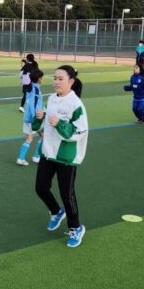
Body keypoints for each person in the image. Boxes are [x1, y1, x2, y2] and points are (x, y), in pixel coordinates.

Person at [32, 65, 89, 248]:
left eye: (60, 79)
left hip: (66, 157)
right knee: (41, 188)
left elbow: (80, 131)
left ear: (71, 81)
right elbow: (39, 126)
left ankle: (76, 228)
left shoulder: (76, 104)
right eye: (54, 78)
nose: (56, 82)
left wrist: (59, 124)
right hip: (48, 153)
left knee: (67, 194)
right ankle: (56, 211)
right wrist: (39, 118)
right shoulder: (51, 99)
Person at [16, 68, 44, 166]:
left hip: (29, 118)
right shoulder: (35, 89)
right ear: (39, 79)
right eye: (42, 78)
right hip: (34, 118)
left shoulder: (31, 87)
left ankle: (29, 157)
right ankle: (32, 157)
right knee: (35, 138)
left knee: (38, 137)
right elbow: (33, 104)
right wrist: (35, 118)